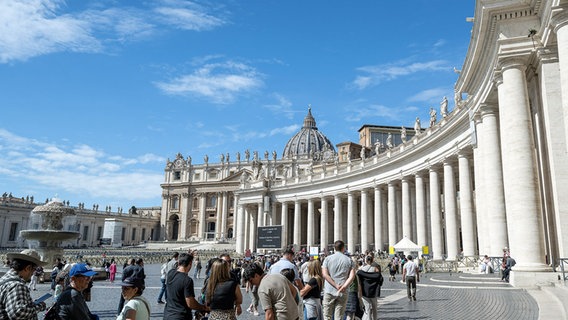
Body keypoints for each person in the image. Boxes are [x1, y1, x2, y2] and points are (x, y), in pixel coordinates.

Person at [0, 249, 48, 319]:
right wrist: (40, 306)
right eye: (34, 269)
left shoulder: (4, 278)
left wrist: (31, 304)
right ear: (28, 268)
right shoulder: (17, 285)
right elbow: (18, 313)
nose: (33, 273)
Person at [164, 253, 209, 319]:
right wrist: (203, 307)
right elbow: (190, 303)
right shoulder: (187, 280)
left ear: (179, 262)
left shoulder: (170, 273)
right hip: (181, 316)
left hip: (167, 315)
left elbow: (176, 267)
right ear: (190, 264)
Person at [321, 240, 355, 320]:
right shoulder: (349, 260)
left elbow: (325, 275)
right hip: (343, 291)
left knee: (327, 316)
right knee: (339, 317)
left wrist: (336, 285)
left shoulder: (327, 259)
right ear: (343, 248)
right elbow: (352, 276)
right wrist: (344, 286)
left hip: (329, 290)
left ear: (334, 248)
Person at [357, 256, 383, 320]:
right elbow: (381, 279)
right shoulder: (375, 269)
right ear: (372, 260)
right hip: (374, 291)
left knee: (367, 308)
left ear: (365, 261)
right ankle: (375, 319)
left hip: (365, 291)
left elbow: (358, 279)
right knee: (374, 308)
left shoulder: (362, 270)